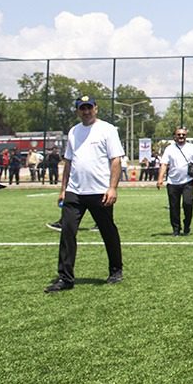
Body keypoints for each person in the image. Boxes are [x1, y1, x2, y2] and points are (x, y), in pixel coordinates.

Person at [45, 96, 125, 292]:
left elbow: (116, 160)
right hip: (75, 192)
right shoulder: (73, 131)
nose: (86, 111)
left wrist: (112, 187)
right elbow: (69, 162)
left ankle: (116, 269)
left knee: (108, 231)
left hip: (100, 192)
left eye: (89, 107)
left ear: (96, 109)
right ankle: (65, 278)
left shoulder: (107, 129)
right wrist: (63, 190)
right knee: (68, 232)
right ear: (77, 111)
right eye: (82, 108)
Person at [157, 127, 193, 236]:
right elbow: (164, 164)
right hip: (173, 182)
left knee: (188, 203)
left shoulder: (192, 147)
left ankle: (187, 225)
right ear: (174, 136)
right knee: (174, 207)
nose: (181, 137)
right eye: (179, 135)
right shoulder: (169, 149)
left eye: (183, 135)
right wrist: (160, 179)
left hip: (187, 181)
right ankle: (176, 229)